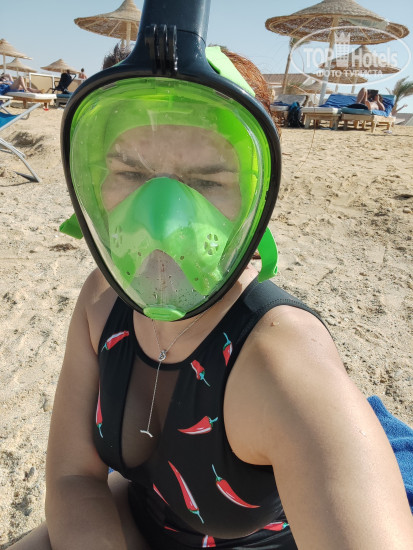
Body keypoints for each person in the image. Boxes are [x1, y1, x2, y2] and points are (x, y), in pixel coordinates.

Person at [8, 2, 413, 548]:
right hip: (142, 518)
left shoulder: (282, 362)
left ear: (254, 200)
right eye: (130, 171)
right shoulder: (102, 300)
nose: (161, 221)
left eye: (205, 182)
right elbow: (74, 479)